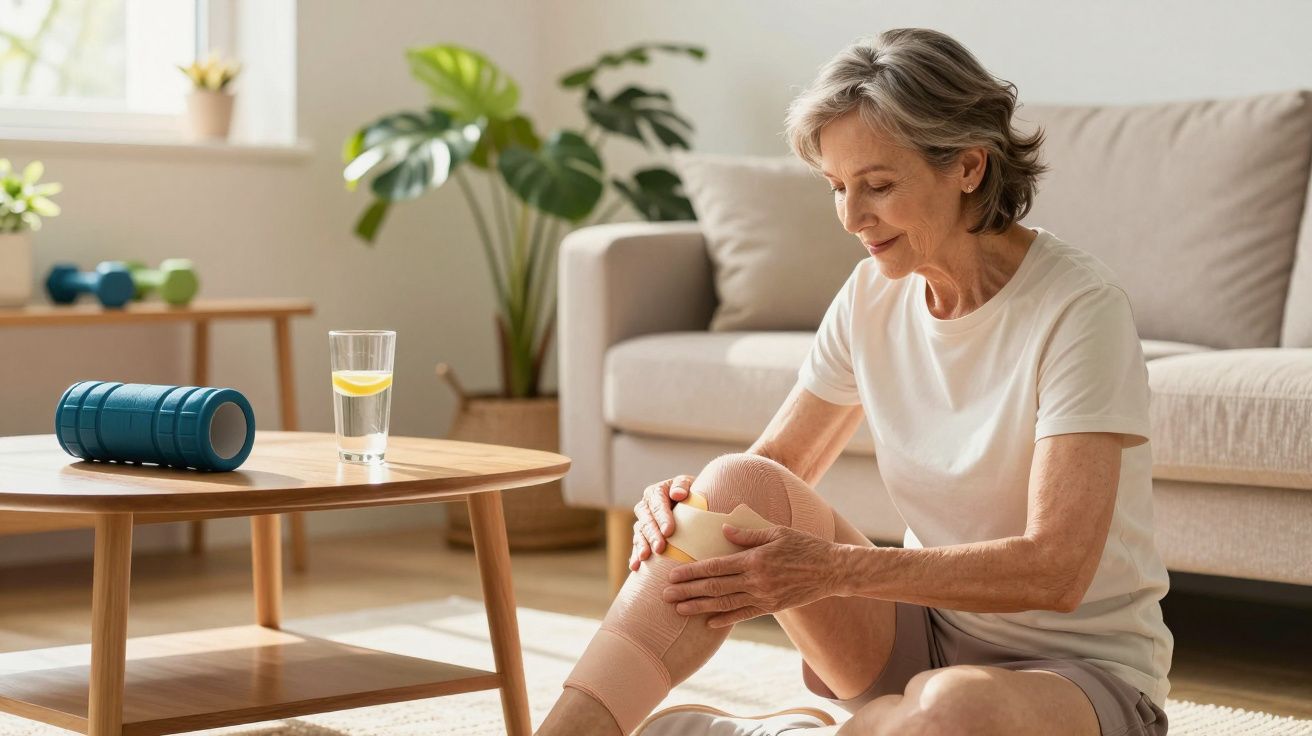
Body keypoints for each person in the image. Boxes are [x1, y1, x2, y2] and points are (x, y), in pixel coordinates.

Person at [536, 27, 1172, 736]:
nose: (851, 217)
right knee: (735, 481)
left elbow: (1056, 570)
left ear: (967, 166)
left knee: (952, 710)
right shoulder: (874, 292)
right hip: (917, 638)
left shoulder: (1079, 308)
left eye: (877, 186)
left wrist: (834, 570)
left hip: (1074, 676)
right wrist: (688, 506)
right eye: (838, 187)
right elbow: (770, 474)